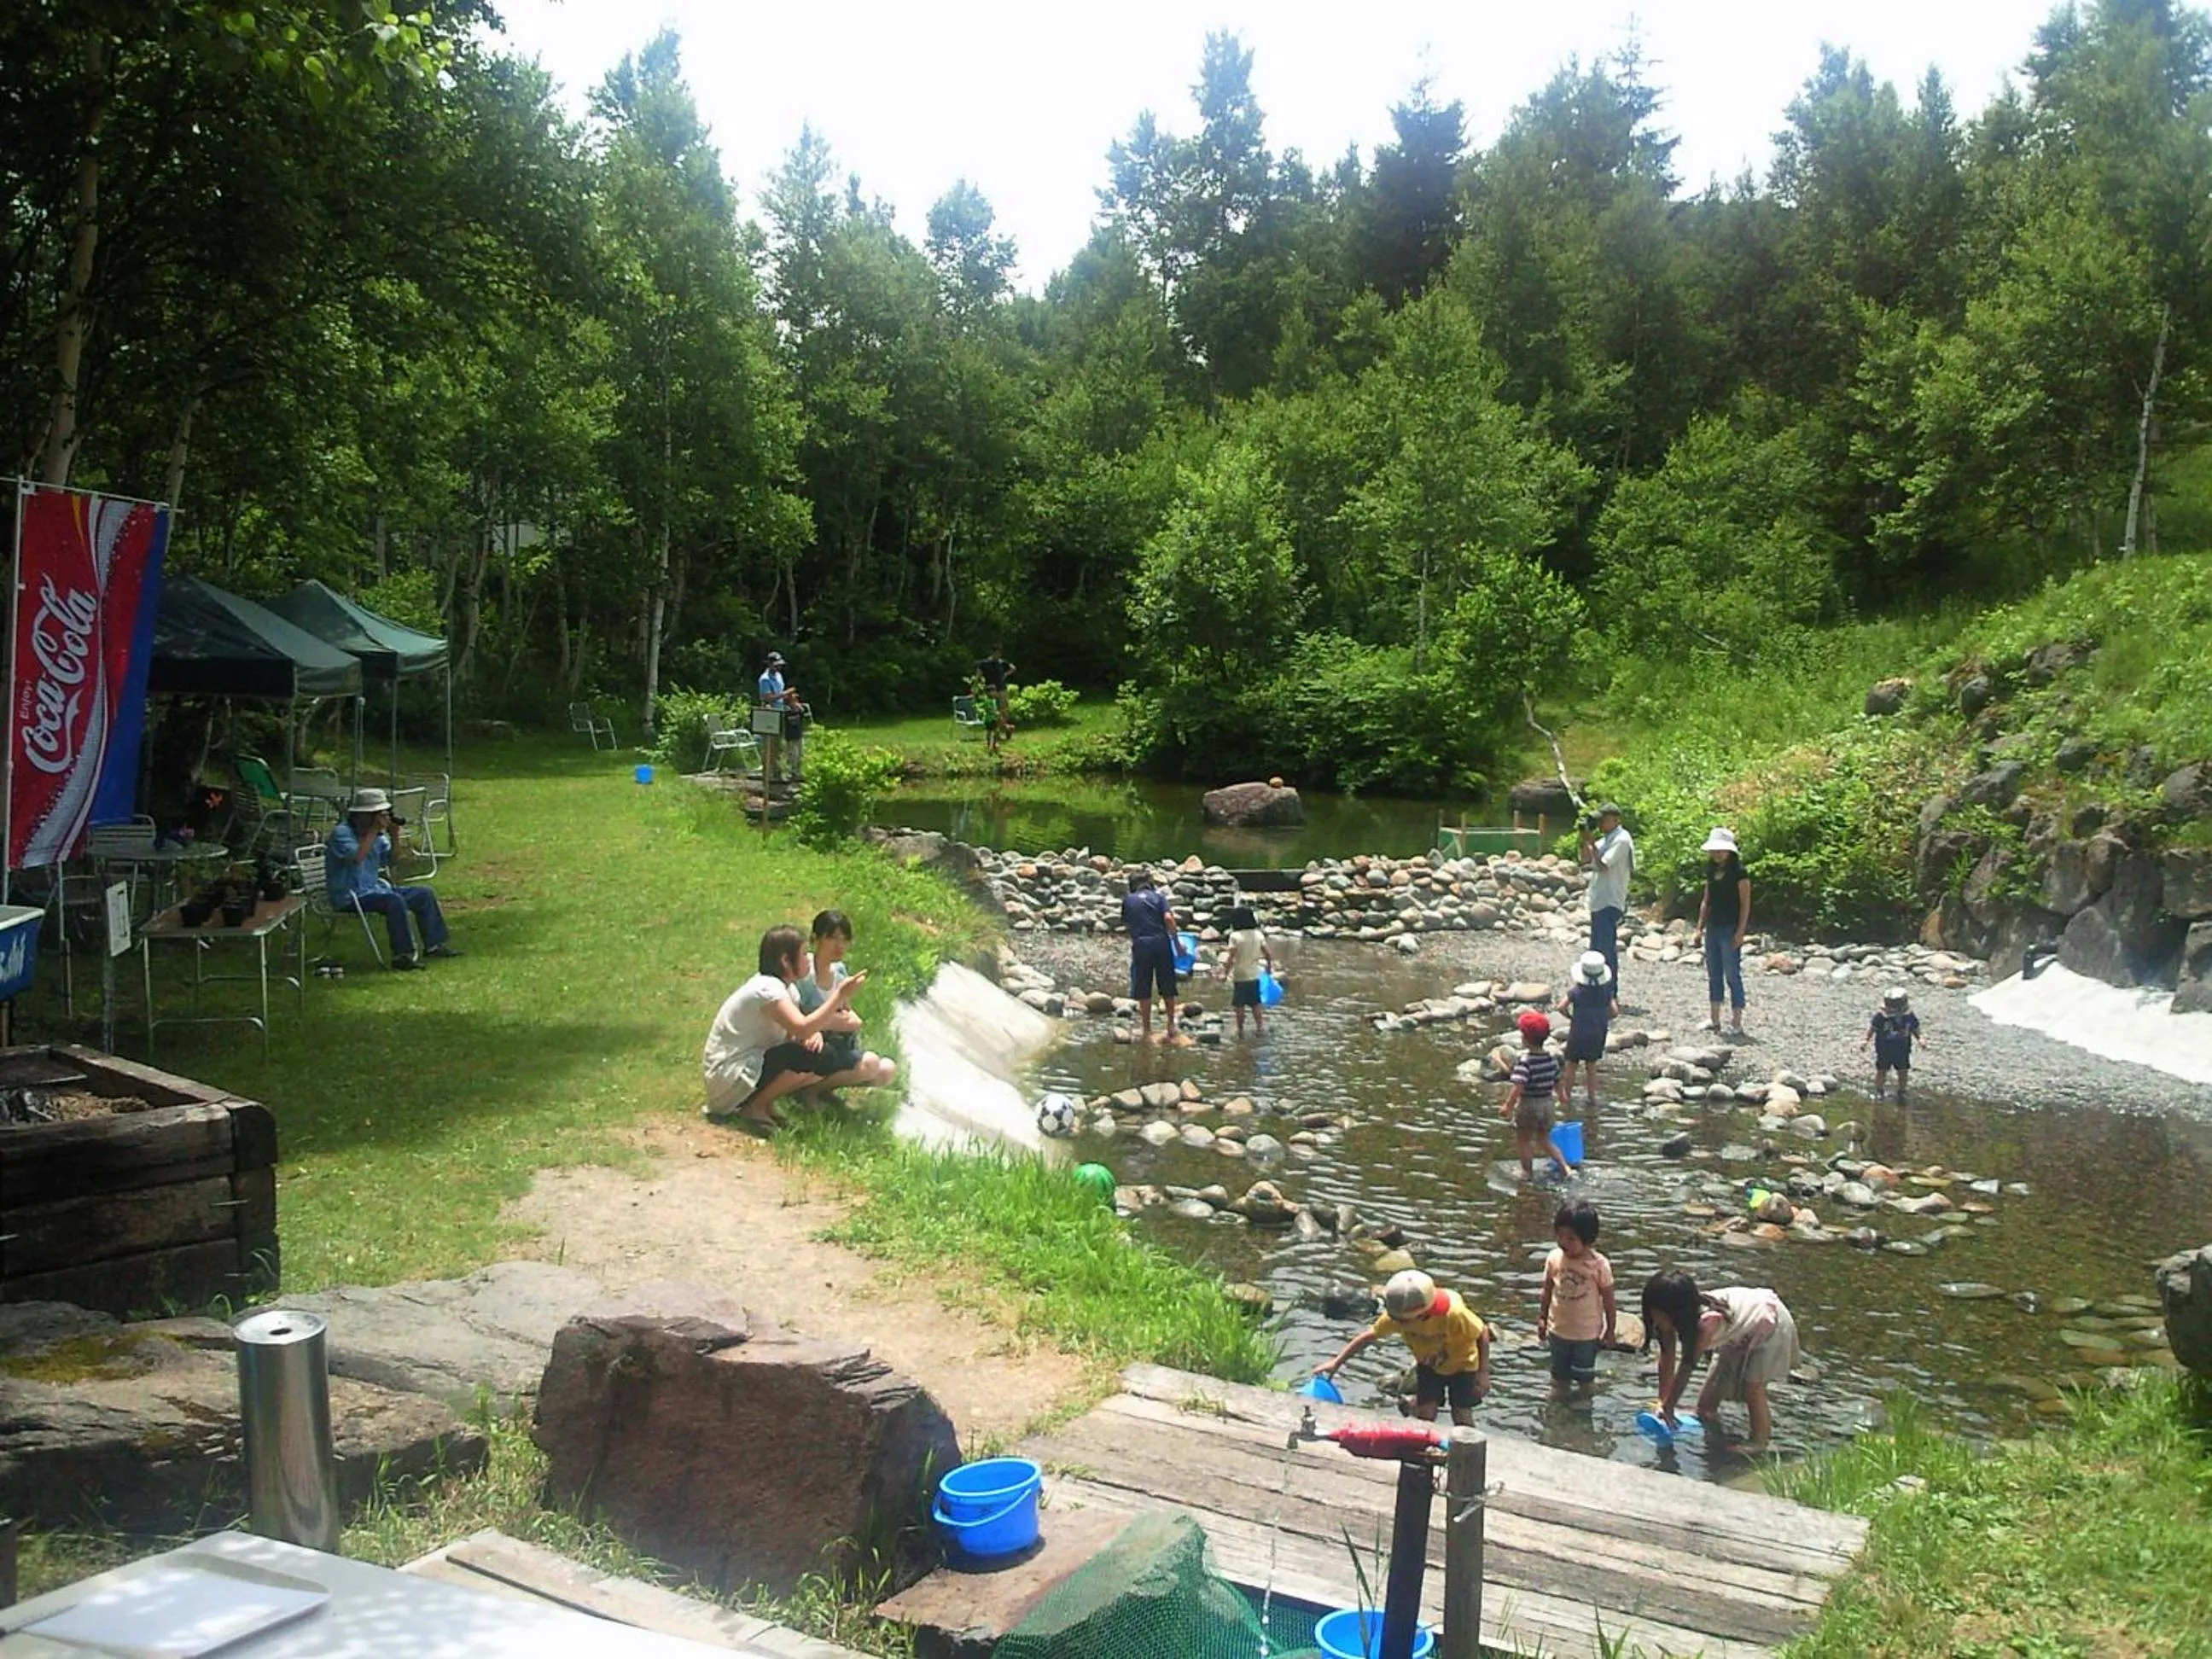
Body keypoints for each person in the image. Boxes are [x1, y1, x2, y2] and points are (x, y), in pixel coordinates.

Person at [702, 924, 868, 1133]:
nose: (808, 959)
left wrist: (812, 1034)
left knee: (821, 1054)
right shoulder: (767, 989)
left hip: (751, 1066)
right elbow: (801, 1028)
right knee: (804, 1057)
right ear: (785, 961)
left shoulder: (787, 989)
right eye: (802, 954)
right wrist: (839, 995)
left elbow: (797, 1032)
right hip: (729, 1075)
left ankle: (764, 1104)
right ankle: (754, 1108)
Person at [1643, 1270, 1800, 1452]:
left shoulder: (1707, 1322)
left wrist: (1670, 1408)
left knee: (1752, 1388)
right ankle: (1708, 1417)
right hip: (1738, 1331)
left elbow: (1687, 1367)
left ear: (1676, 1312)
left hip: (1770, 1323)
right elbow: (1667, 1358)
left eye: (1659, 1315)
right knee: (1705, 1406)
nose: (1656, 1319)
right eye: (1653, 1313)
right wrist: (1663, 1402)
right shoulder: (1668, 1322)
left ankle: (1759, 1442)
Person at [1318, 1269, 1491, 1429]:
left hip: (1463, 1367)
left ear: (1425, 1314)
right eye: (1396, 1319)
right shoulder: (1397, 1318)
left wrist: (1483, 1373)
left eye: (1404, 1321)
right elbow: (1368, 1336)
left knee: (1461, 1415)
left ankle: (1471, 1455)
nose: (1398, 1324)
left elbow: (1482, 1333)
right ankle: (1423, 1450)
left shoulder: (1454, 1315)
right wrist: (1337, 1362)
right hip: (1428, 1367)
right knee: (1426, 1414)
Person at [325, 788, 457, 972]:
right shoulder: (342, 833)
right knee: (393, 901)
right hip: (349, 895)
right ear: (362, 815)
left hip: (374, 889)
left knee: (424, 894)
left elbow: (393, 861)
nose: (380, 819)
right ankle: (402, 955)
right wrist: (373, 831)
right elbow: (356, 858)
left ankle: (434, 945)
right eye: (376, 815)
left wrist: (395, 835)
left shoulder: (376, 836)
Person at [792, 910, 899, 1091]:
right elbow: (796, 1015)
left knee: (887, 1069)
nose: (840, 945)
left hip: (840, 1043)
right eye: (833, 938)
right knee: (871, 1063)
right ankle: (811, 1091)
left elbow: (847, 1010)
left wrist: (851, 1020)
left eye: (844, 939)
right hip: (813, 1044)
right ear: (816, 939)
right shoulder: (805, 972)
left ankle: (824, 1086)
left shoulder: (839, 970)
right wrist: (829, 1024)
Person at [1538, 1200, 1616, 1400]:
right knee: (1559, 1375)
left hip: (1586, 1334)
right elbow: (1547, 1289)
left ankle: (1584, 1405)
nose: (1564, 1242)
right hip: (1558, 1330)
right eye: (1560, 1236)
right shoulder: (1554, 1258)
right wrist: (1542, 1318)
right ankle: (1558, 1406)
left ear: (1587, 1240)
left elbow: (1608, 1299)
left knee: (1585, 1377)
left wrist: (1611, 1329)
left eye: (1571, 1239)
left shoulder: (1598, 1265)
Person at [1501, 1009, 1572, 1180]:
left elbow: (1518, 1086)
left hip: (1529, 1105)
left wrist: (1508, 1106)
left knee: (1523, 1139)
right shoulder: (1551, 1059)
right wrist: (1562, 1096)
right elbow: (1557, 1080)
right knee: (1544, 1140)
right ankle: (1565, 1167)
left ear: (1524, 1039)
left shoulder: (1524, 1062)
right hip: (1547, 1104)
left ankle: (1527, 1172)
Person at [1697, 827, 1752, 1037]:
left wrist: (1741, 932)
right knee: (1713, 972)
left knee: (1732, 973)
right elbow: (1706, 900)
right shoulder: (1710, 871)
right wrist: (1699, 927)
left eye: (1722, 850)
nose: (1718, 854)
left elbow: (1745, 904)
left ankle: (1737, 1020)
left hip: (1730, 926)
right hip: (1713, 925)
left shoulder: (1740, 873)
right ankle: (1714, 1018)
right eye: (1715, 850)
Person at [1121, 869, 1186, 1045]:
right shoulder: (1159, 898)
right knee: (1167, 984)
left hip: (1141, 944)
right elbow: (1169, 919)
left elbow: (1128, 923)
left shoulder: (1128, 901)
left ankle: (1147, 1029)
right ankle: (1171, 1025)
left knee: (1143, 986)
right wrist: (1178, 944)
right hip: (1161, 943)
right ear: (1150, 883)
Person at [1579, 803, 1634, 1004]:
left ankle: (1610, 994)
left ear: (1616, 819)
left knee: (1606, 949)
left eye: (1604, 819)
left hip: (1610, 900)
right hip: (1599, 900)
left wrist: (1592, 844)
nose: (1600, 823)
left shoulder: (1622, 840)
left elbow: (1602, 865)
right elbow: (1586, 860)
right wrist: (1584, 840)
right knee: (1595, 949)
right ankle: (1596, 990)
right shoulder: (1607, 839)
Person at [1557, 951, 1617, 1109]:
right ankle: (1591, 1098)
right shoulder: (1606, 991)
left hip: (1578, 1031)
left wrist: (1570, 1017)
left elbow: (1561, 1007)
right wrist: (1603, 1019)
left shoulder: (1576, 991)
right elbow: (1614, 1012)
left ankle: (1566, 1097)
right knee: (1591, 1066)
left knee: (1571, 1065)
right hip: (1597, 1032)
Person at [1218, 904, 1275, 1038]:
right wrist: (1269, 967)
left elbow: (1230, 958)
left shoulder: (1235, 936)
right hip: (1254, 974)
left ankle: (1240, 1029)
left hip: (1240, 975)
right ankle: (1260, 1027)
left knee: (1239, 1004)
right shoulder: (1258, 935)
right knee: (1255, 1002)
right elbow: (1268, 955)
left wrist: (1224, 974)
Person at [1862, 987, 1924, 1102]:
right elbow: (1873, 1028)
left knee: (1903, 1070)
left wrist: (1920, 1038)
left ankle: (1902, 1091)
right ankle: (1879, 1090)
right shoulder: (1882, 1016)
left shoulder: (1908, 1015)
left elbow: (1915, 1027)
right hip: (1884, 1049)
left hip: (1902, 1048)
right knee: (1882, 1070)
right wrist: (1866, 1040)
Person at [755, 650, 806, 787]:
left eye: (780, 665)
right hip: (770, 713)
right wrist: (784, 693)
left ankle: (780, 772)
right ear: (770, 664)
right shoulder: (765, 679)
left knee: (780, 745)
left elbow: (782, 696)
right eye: (776, 665)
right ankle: (770, 774)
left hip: (781, 712)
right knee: (771, 746)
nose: (779, 668)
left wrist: (792, 702)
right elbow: (768, 697)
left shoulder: (778, 676)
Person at [975, 648, 1015, 754]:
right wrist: (975, 686)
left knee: (1002, 711)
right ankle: (1005, 729)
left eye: (1000, 654)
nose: (999, 655)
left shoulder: (1002, 663)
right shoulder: (985, 663)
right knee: (992, 711)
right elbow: (978, 675)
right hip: (991, 690)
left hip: (1002, 689)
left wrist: (1005, 674)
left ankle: (1004, 730)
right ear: (992, 653)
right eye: (997, 653)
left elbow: (1013, 668)